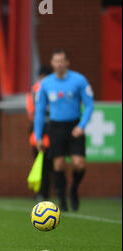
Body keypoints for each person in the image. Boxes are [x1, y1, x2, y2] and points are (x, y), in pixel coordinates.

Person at [34, 49, 94, 211]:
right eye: (56, 61)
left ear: (67, 62)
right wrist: (38, 136)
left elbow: (89, 105)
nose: (59, 64)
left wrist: (81, 126)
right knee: (59, 165)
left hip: (74, 126)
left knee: (79, 164)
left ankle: (73, 188)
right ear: (52, 63)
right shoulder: (45, 84)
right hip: (56, 127)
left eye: (62, 61)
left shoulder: (79, 80)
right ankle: (62, 199)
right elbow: (39, 111)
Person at [26, 66, 53, 200]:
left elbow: (30, 112)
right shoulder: (39, 89)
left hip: (44, 130)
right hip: (43, 130)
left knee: (46, 164)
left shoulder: (34, 89)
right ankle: (43, 192)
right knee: (44, 164)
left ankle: (43, 193)